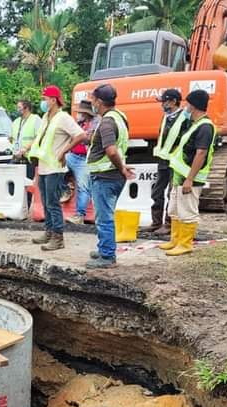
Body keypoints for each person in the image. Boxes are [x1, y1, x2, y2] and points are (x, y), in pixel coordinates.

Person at [28, 85, 88, 251]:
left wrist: (64, 151)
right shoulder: (47, 116)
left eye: (45, 99)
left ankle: (58, 238)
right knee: (47, 202)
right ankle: (49, 232)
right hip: (44, 166)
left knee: (53, 203)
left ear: (53, 100)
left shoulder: (63, 117)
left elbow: (81, 135)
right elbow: (40, 138)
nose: (43, 102)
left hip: (55, 167)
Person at [159, 89, 216, 256]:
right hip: (180, 176)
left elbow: (201, 153)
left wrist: (189, 179)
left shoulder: (205, 127)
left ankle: (185, 244)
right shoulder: (194, 124)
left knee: (187, 211)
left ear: (195, 106)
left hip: (190, 178)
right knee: (174, 210)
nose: (185, 107)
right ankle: (175, 240)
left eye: (188, 104)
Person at [86, 84, 135, 269]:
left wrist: (121, 167)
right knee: (105, 214)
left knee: (104, 217)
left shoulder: (106, 122)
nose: (92, 104)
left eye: (93, 100)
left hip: (105, 176)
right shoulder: (120, 117)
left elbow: (112, 151)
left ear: (99, 101)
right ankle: (103, 248)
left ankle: (107, 255)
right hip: (112, 175)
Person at [148, 88, 188, 234]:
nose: (162, 105)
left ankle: (169, 224)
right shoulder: (166, 117)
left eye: (164, 101)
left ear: (173, 101)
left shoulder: (185, 118)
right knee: (157, 191)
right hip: (163, 161)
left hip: (176, 163)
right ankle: (156, 222)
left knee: (172, 193)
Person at [66, 100, 99, 225]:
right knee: (55, 166)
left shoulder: (95, 123)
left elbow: (87, 139)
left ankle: (79, 215)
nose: (80, 114)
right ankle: (65, 188)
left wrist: (80, 135)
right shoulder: (79, 122)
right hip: (72, 155)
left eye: (82, 112)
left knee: (84, 187)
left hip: (84, 159)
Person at [10, 99, 40, 179]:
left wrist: (26, 148)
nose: (17, 110)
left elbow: (39, 137)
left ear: (26, 108)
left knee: (27, 185)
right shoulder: (16, 121)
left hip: (29, 159)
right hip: (16, 158)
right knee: (13, 184)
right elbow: (13, 138)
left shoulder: (35, 119)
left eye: (19, 107)